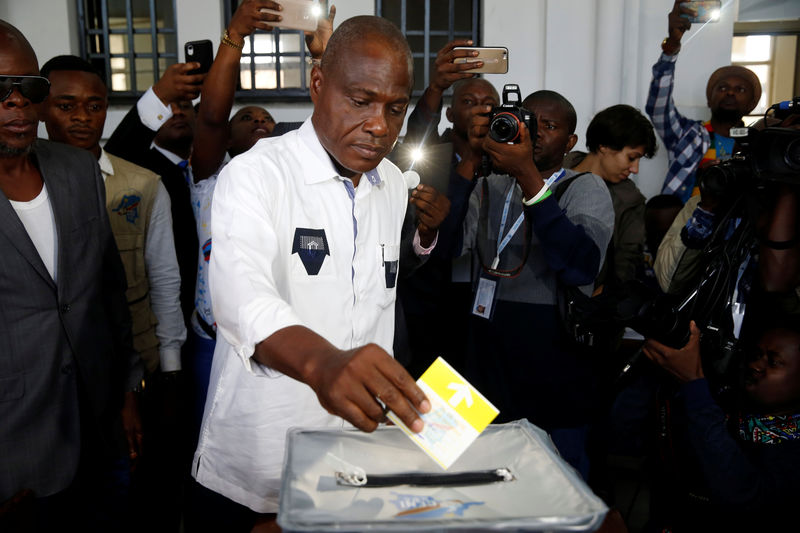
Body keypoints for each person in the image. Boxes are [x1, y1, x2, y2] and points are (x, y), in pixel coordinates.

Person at [191, 15, 449, 530]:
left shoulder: (393, 184)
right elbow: (240, 300)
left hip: (355, 462)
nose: (380, 125)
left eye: (395, 108)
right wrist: (323, 364)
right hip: (261, 463)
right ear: (318, 85)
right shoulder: (256, 174)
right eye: (360, 101)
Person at [0, 19, 141, 531]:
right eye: (0, 90)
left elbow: (107, 288)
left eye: (29, 88)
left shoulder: (76, 170)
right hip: (15, 449)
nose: (17, 103)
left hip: (96, 427)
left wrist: (126, 391)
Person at [437, 88, 614, 479]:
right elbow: (447, 249)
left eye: (548, 126)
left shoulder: (586, 188)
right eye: (529, 121)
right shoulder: (490, 183)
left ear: (570, 143)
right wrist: (471, 157)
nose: (534, 133)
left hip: (547, 360)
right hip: (478, 353)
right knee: (462, 475)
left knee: (546, 485)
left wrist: (530, 178)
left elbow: (579, 267)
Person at [183, 0, 334, 448]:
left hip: (279, 335)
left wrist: (322, 55)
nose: (261, 124)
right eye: (247, 119)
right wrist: (236, 35)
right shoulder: (211, 176)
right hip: (213, 338)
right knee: (211, 448)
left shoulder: (292, 176)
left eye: (267, 118)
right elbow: (210, 116)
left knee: (277, 445)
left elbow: (331, 119)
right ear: (228, 139)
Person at [39, 54, 186, 390]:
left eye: (95, 107)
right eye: (66, 106)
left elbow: (164, 279)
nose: (82, 117)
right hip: (49, 369)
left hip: (133, 360)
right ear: (42, 109)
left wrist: (171, 365)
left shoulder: (143, 184)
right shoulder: (21, 184)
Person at [398, 40, 500, 377]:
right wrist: (437, 85)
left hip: (486, 297)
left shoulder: (507, 163)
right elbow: (416, 133)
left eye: (489, 104)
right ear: (451, 113)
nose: (479, 110)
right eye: (469, 102)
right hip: (431, 300)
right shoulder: (432, 154)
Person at [642, 319, 800, 530]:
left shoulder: (791, 448)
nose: (755, 366)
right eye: (756, 356)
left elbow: (741, 494)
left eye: (773, 362)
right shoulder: (735, 409)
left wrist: (693, 385)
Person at [104, 59, 205, 324]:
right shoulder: (138, 167)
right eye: (168, 108)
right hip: (162, 310)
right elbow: (116, 153)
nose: (177, 112)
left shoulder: (214, 169)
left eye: (184, 106)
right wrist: (160, 94)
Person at [646, 0, 762, 202]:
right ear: (710, 99)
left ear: (752, 104)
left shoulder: (757, 144)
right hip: (681, 228)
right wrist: (671, 46)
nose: (730, 93)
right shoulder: (687, 135)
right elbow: (658, 107)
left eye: (740, 89)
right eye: (723, 88)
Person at [571, 104, 656, 290]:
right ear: (604, 146)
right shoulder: (552, 173)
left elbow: (625, 266)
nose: (635, 169)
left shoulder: (630, 201)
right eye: (631, 158)